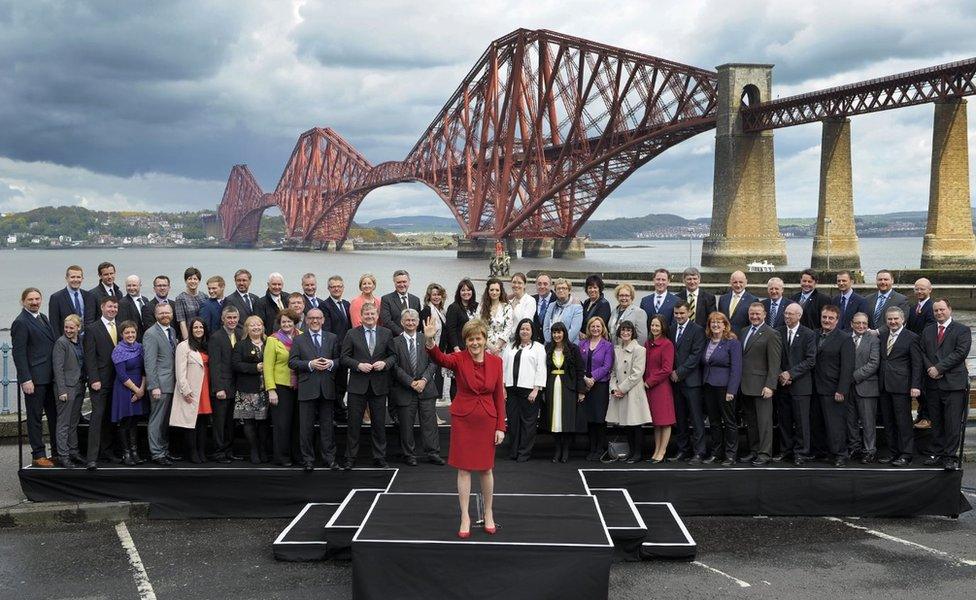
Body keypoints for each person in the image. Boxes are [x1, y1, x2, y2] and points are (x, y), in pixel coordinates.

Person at [423, 317, 506, 538]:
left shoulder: (496, 363)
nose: (475, 343)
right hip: (463, 420)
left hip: (487, 420)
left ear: (485, 339)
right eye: (470, 339)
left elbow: (499, 396)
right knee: (464, 469)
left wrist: (501, 426)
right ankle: (465, 516)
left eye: (478, 338)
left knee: (486, 469)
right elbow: (439, 358)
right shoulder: (459, 359)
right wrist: (430, 341)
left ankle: (488, 513)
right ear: (466, 341)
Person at [340, 302, 396, 469]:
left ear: (377, 316)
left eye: (373, 314)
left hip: (379, 385)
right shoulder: (351, 334)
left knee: (379, 424)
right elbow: (344, 358)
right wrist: (357, 365)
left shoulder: (386, 333)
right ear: (361, 317)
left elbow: (393, 356)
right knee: (354, 424)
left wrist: (385, 364)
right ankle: (350, 457)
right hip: (358, 386)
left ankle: (379, 457)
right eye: (367, 315)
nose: (370, 317)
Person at [919, 299, 971, 471]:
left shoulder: (962, 330)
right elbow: (923, 353)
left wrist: (939, 368)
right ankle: (937, 454)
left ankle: (950, 456)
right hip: (933, 384)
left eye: (942, 309)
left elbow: (960, 353)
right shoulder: (928, 331)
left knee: (952, 422)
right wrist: (930, 369)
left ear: (950, 309)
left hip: (953, 384)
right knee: (937, 421)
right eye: (936, 310)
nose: (939, 313)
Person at [288, 308, 341, 471]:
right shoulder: (298, 339)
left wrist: (331, 363)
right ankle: (308, 459)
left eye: (318, 318)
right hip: (307, 388)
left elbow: (341, 359)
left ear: (323, 320)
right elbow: (292, 362)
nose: (315, 321)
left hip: (327, 387)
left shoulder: (332, 338)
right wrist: (310, 364)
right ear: (306, 320)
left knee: (327, 427)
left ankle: (329, 459)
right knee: (305, 427)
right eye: (311, 318)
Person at [390, 309, 443, 466]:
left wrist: (424, 380)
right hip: (405, 389)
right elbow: (394, 366)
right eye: (407, 320)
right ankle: (409, 454)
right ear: (401, 322)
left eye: (413, 320)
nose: (411, 323)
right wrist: (411, 382)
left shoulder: (426, 339)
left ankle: (432, 453)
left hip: (426, 389)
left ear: (418, 322)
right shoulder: (394, 342)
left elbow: (434, 361)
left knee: (430, 424)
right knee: (406, 425)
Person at [12, 288, 58, 467]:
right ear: (23, 301)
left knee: (54, 417)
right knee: (35, 418)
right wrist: (25, 379)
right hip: (34, 380)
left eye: (37, 298)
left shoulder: (43, 317)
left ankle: (56, 452)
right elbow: (19, 353)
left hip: (50, 377)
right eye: (30, 299)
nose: (34, 302)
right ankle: (38, 455)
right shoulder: (21, 322)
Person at [737, 302, 782, 466]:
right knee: (752, 423)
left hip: (763, 386)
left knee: (764, 423)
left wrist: (770, 385)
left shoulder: (772, 334)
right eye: (752, 314)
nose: (754, 317)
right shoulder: (743, 332)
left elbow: (775, 363)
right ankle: (754, 450)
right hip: (745, 385)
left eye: (758, 314)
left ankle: (765, 453)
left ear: (764, 315)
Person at [877, 306, 921, 467]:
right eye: (890, 319)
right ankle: (893, 452)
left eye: (896, 319)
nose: (893, 321)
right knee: (888, 422)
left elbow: (917, 364)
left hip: (902, 386)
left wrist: (915, 385)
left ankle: (906, 454)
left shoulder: (912, 337)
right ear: (886, 321)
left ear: (903, 320)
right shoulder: (882, 336)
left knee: (903, 422)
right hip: (884, 386)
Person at [814, 305, 856, 467]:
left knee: (836, 425)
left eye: (831, 318)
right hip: (816, 387)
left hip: (834, 389)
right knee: (820, 423)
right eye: (824, 317)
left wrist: (841, 390)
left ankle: (840, 454)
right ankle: (825, 452)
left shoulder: (845, 338)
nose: (827, 320)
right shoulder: (815, 335)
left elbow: (847, 367)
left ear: (837, 320)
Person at [776, 303, 817, 465]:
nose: (787, 316)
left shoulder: (808, 334)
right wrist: (781, 373)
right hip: (782, 384)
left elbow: (810, 359)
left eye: (791, 314)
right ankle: (786, 450)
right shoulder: (778, 332)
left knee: (801, 422)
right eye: (786, 313)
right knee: (784, 420)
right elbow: (774, 357)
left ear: (799, 316)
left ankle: (801, 452)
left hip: (801, 385)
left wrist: (790, 373)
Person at [82, 296, 121, 469]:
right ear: (102, 307)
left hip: (118, 381)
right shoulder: (92, 329)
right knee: (97, 418)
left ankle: (107, 452)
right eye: (110, 307)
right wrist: (94, 379)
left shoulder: (120, 327)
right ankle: (92, 457)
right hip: (100, 381)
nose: (112, 310)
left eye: (115, 307)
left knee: (110, 419)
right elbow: (89, 357)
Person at [667, 301, 707, 464]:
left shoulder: (697, 330)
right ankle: (683, 450)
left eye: (682, 313)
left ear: (689, 312)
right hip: (674, 382)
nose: (679, 316)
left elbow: (696, 355)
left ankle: (700, 451)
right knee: (680, 418)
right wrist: (671, 372)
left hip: (691, 382)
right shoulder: (671, 329)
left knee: (696, 419)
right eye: (676, 313)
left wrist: (679, 372)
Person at [607, 320, 651, 463]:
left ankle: (637, 454)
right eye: (623, 330)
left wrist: (622, 389)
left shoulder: (640, 350)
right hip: (620, 391)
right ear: (619, 332)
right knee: (626, 424)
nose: (625, 333)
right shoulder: (616, 349)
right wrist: (614, 389)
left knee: (635, 424)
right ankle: (631, 451)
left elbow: (637, 373)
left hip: (633, 391)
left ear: (633, 333)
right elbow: (613, 372)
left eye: (629, 330)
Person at [701, 312, 742, 466]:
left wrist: (732, 390)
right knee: (714, 422)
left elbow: (736, 368)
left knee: (730, 422)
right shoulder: (707, 341)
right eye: (713, 322)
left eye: (719, 322)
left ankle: (730, 455)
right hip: (709, 386)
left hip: (725, 388)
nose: (716, 325)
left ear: (725, 325)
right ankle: (716, 453)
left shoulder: (732, 343)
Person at [503, 318, 547, 462]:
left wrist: (536, 390)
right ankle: (514, 451)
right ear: (518, 330)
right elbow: (503, 368)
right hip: (511, 390)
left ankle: (524, 452)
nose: (524, 331)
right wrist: (502, 387)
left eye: (528, 329)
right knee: (513, 422)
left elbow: (541, 369)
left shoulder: (538, 347)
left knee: (528, 423)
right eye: (522, 328)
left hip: (529, 391)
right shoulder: (510, 347)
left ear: (532, 331)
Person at [543, 321, 587, 463]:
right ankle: (557, 450)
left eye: (559, 332)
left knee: (567, 418)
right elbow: (544, 370)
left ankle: (566, 450)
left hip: (568, 387)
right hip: (552, 386)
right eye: (554, 332)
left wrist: (581, 391)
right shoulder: (548, 347)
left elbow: (580, 370)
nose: (557, 335)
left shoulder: (573, 348)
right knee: (554, 418)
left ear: (564, 333)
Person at [171, 317, 212, 464]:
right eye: (195, 327)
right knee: (190, 424)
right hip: (191, 390)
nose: (198, 330)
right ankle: (192, 453)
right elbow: (180, 371)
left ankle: (202, 451)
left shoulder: (206, 346)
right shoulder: (184, 346)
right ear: (190, 329)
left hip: (205, 389)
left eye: (201, 327)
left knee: (202, 423)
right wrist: (185, 390)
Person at [264, 308, 301, 466]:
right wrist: (271, 390)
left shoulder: (301, 336)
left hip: (300, 387)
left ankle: (297, 456)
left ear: (294, 322)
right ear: (279, 323)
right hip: (281, 387)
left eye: (289, 321)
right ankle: (282, 457)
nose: (286, 324)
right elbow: (267, 366)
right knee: (282, 424)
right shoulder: (273, 340)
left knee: (298, 424)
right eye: (283, 321)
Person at [143, 303, 178, 466]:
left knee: (165, 421)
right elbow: (149, 363)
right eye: (161, 313)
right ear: (156, 315)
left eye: (167, 312)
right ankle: (156, 453)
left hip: (171, 384)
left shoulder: (172, 331)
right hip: (159, 386)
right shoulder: (150, 334)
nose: (165, 315)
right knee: (157, 420)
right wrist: (154, 386)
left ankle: (164, 450)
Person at [232, 315, 270, 464]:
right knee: (249, 422)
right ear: (247, 328)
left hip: (265, 390)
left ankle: (262, 449)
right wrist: (255, 367)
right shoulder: (241, 345)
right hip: (247, 390)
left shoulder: (269, 343)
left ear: (263, 327)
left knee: (263, 422)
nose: (256, 327)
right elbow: (236, 365)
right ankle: (253, 449)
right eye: (252, 325)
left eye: (259, 324)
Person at [209, 305, 243, 463]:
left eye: (234, 318)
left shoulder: (240, 333)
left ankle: (229, 451)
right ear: (223, 319)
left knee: (231, 422)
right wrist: (218, 388)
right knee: (220, 422)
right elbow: (214, 365)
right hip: (222, 387)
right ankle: (218, 452)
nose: (232, 320)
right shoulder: (216, 337)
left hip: (236, 386)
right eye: (229, 318)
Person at [52, 314, 86, 468]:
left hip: (79, 385)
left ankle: (74, 451)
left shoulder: (80, 342)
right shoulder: (61, 343)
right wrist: (62, 390)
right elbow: (57, 368)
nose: (68, 330)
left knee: (73, 422)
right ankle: (63, 455)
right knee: (64, 424)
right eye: (66, 327)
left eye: (72, 327)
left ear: (78, 328)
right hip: (66, 388)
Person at [111, 321, 147, 466]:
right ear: (122, 335)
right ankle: (126, 454)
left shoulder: (140, 348)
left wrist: (142, 389)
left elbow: (145, 370)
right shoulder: (118, 350)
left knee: (134, 422)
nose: (130, 335)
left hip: (140, 387)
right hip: (125, 389)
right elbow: (121, 374)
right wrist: (136, 390)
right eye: (127, 333)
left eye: (133, 332)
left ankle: (135, 453)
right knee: (125, 422)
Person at [578, 316, 614, 461]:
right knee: (590, 418)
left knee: (599, 418)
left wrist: (593, 377)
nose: (595, 329)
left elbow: (607, 366)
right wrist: (585, 379)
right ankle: (592, 447)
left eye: (598, 326)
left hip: (600, 385)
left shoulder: (607, 345)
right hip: (585, 384)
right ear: (589, 328)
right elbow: (579, 364)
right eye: (593, 326)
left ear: (602, 328)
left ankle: (600, 449)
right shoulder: (582, 344)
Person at [848, 313, 881, 463]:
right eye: (858, 323)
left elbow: (874, 363)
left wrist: (853, 376)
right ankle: (854, 448)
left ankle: (869, 450)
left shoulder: (873, 339)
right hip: (848, 388)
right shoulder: (846, 338)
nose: (861, 326)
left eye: (864, 323)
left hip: (866, 386)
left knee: (868, 422)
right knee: (850, 420)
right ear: (851, 324)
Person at [643, 315, 676, 463]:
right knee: (656, 421)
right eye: (652, 325)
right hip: (648, 387)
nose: (654, 328)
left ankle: (662, 452)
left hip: (660, 387)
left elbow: (666, 369)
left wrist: (649, 382)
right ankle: (656, 450)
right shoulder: (648, 343)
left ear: (663, 328)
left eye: (657, 326)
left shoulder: (667, 344)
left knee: (665, 421)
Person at [323, 275, 352, 422]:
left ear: (343, 287)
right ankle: (336, 412)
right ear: (328, 288)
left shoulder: (347, 304)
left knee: (342, 383)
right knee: (334, 384)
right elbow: (328, 332)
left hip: (347, 351)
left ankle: (340, 408)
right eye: (333, 286)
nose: (336, 289)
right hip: (334, 352)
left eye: (339, 286)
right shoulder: (325, 305)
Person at [908, 277, 936, 429]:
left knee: (926, 388)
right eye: (917, 289)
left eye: (922, 289)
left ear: (929, 290)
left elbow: (930, 330)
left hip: (926, 354)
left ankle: (927, 417)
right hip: (914, 352)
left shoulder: (933, 308)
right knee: (917, 384)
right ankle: (920, 414)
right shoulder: (913, 309)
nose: (919, 291)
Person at [419, 283, 449, 398]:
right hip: (430, 350)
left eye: (439, 294)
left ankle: (435, 408)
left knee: (439, 378)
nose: (436, 297)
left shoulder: (442, 311)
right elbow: (423, 332)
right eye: (434, 295)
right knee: (431, 378)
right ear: (429, 297)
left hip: (440, 351)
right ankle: (431, 408)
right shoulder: (427, 311)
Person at [49, 265, 96, 335]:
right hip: (66, 341)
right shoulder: (56, 298)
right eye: (72, 277)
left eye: (78, 277)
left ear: (82, 278)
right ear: (66, 278)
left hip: (86, 340)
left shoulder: (89, 296)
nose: (76, 280)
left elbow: (91, 320)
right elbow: (54, 325)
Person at [380, 270, 421, 336]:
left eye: (404, 282)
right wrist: (402, 334)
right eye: (399, 282)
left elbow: (418, 320)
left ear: (409, 282)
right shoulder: (386, 299)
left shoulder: (416, 300)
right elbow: (386, 321)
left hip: (412, 339)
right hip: (394, 339)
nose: (402, 285)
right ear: (394, 283)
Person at [543, 278, 583, 343]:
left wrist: (561, 344)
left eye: (564, 288)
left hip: (569, 346)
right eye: (558, 288)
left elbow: (574, 330)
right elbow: (546, 327)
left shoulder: (577, 307)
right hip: (550, 345)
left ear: (569, 291)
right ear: (555, 291)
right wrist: (551, 342)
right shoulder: (551, 306)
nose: (561, 290)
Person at [481, 278, 514, 355]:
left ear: (501, 291)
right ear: (488, 291)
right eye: (491, 290)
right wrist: (490, 347)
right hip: (485, 347)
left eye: (497, 290)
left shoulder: (507, 307)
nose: (494, 292)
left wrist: (497, 347)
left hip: (502, 348)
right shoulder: (481, 307)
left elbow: (508, 328)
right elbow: (478, 327)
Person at [175, 267, 209, 341]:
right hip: (189, 337)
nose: (192, 281)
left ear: (199, 281)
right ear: (185, 281)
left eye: (195, 279)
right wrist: (187, 341)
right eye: (190, 279)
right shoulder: (180, 298)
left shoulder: (204, 297)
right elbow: (182, 323)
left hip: (203, 337)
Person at [446, 278, 479, 353]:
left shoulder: (477, 306)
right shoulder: (453, 307)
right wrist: (456, 347)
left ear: (472, 292)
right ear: (459, 292)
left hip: (474, 346)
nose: (466, 292)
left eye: (468, 290)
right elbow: (451, 330)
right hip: (459, 348)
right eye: (463, 290)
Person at [118, 275, 150, 341]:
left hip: (147, 338)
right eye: (129, 286)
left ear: (140, 285)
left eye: (134, 285)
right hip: (133, 340)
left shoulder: (145, 300)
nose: (131, 288)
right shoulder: (122, 303)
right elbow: (122, 326)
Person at [531, 273, 556, 343]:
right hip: (534, 343)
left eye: (545, 284)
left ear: (550, 285)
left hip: (552, 343)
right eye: (539, 284)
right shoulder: (531, 300)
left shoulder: (557, 300)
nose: (542, 286)